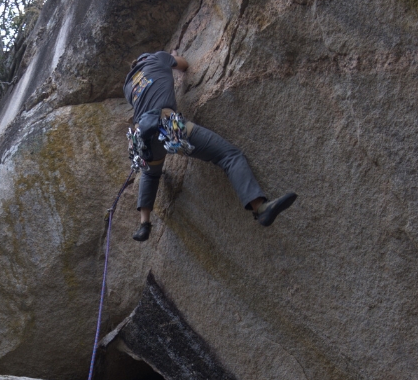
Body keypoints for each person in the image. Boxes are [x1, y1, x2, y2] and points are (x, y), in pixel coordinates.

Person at [124, 50, 297, 241]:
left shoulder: (129, 85)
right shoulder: (158, 58)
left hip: (141, 139)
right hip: (166, 126)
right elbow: (184, 64)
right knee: (228, 156)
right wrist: (172, 56)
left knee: (150, 172)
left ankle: (144, 224)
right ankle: (260, 208)